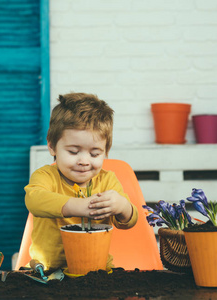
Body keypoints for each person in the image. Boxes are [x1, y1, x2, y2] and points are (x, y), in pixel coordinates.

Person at [24, 92, 138, 271]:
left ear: (106, 151)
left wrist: (122, 206)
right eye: (73, 152)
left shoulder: (108, 180)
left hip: (97, 268)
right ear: (52, 146)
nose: (84, 161)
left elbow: (129, 221)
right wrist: (79, 206)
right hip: (48, 271)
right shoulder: (46, 176)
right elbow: (34, 200)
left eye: (94, 154)